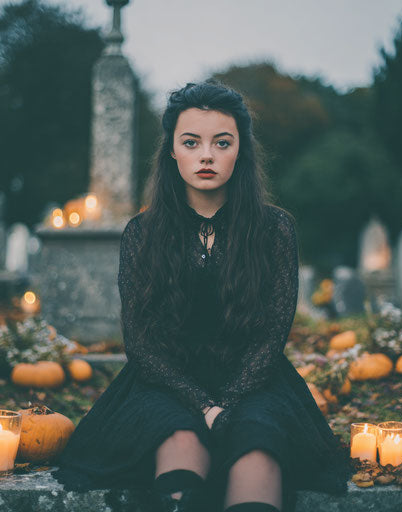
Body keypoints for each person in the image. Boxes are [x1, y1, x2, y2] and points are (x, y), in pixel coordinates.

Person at [52, 81, 350, 512]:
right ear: (172, 150)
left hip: (254, 381)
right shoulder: (143, 233)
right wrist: (203, 407)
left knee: (257, 446)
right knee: (178, 441)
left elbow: (272, 336)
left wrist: (227, 404)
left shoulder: (274, 230)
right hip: (163, 381)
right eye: (191, 142)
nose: (206, 155)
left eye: (221, 142)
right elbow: (139, 343)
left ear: (240, 150)